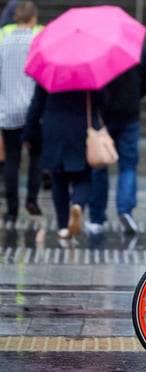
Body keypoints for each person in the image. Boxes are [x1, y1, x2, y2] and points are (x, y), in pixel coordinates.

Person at [86, 47, 146, 235]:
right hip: (129, 115)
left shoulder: (98, 50)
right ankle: (125, 210)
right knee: (128, 166)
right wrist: (134, 95)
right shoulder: (136, 48)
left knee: (99, 165)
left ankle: (96, 218)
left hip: (103, 117)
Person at [24, 87, 105, 239]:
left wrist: (29, 133)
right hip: (82, 129)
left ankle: (62, 227)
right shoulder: (88, 72)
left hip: (55, 130)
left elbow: (37, 105)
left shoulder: (50, 72)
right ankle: (78, 204)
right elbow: (103, 100)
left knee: (58, 179)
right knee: (84, 177)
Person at [0, 1, 41, 223]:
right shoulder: (37, 43)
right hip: (32, 110)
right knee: (36, 156)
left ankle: (11, 209)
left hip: (7, 112)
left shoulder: (3, 43)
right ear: (33, 19)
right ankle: (32, 198)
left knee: (12, 161)